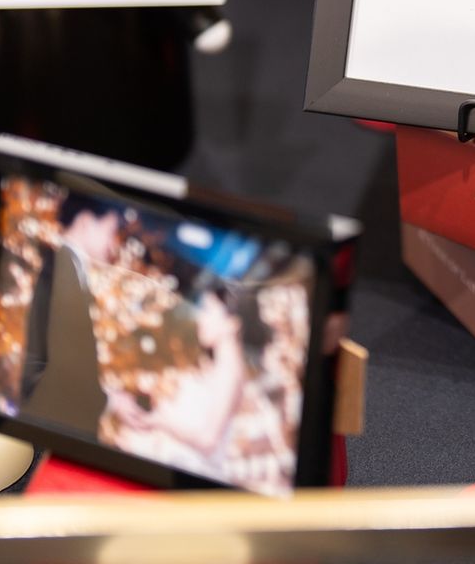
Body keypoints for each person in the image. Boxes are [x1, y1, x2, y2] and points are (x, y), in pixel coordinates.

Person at [134, 282, 289, 490]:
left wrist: (161, 422)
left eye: (207, 311)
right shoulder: (219, 366)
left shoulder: (230, 371)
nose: (200, 318)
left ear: (232, 323)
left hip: (194, 474)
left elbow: (208, 441)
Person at [19, 191, 141, 436]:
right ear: (85, 221)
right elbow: (63, 361)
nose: (114, 243)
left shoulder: (67, 266)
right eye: (110, 231)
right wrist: (110, 401)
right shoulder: (62, 267)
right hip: (50, 417)